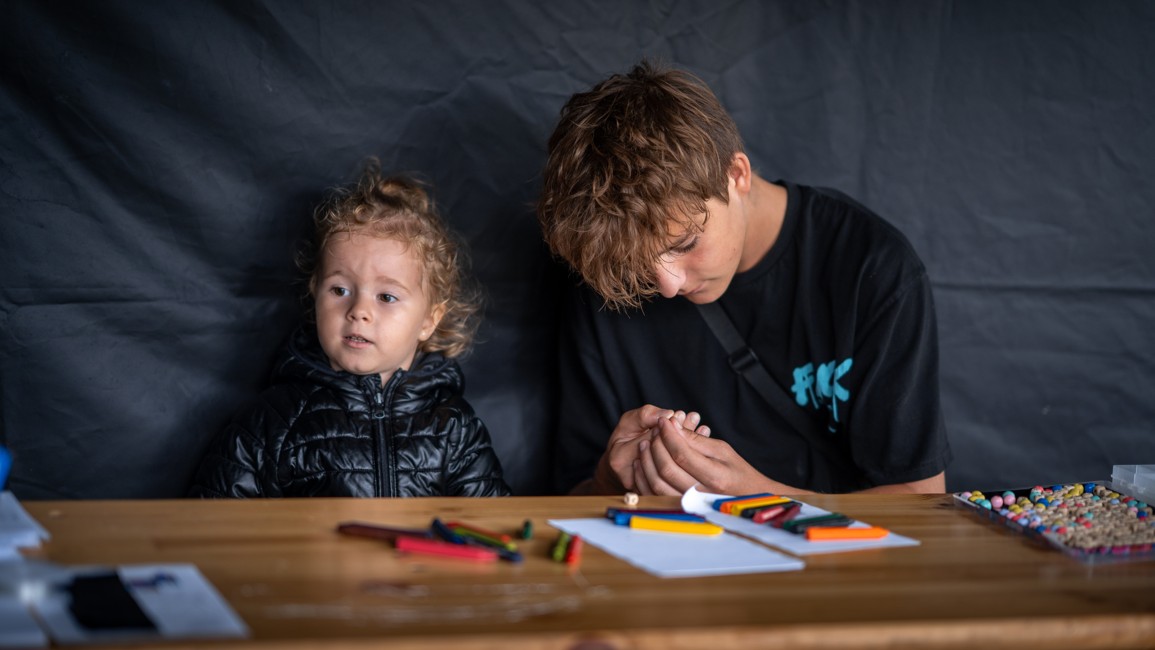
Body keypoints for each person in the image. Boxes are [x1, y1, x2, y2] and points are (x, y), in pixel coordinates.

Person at [537, 60, 951, 497]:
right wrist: (610, 476)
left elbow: (921, 500)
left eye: (685, 243)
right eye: (635, 265)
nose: (668, 286)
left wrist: (757, 495)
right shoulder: (605, 276)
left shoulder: (872, 269)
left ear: (736, 175)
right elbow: (572, 498)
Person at [190, 161, 510, 498]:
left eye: (386, 297)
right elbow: (212, 514)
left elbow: (493, 519)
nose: (358, 311)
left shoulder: (454, 428)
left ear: (429, 320)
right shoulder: (275, 421)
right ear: (315, 292)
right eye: (340, 290)